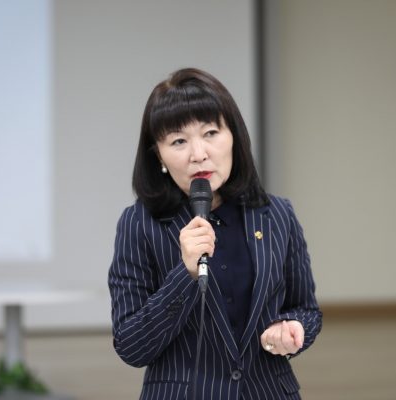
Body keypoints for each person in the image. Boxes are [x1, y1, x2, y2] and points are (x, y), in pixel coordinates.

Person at [108, 68, 322, 400]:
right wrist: (186, 275)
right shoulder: (139, 224)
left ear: (233, 135)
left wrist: (294, 328)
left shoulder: (277, 214)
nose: (199, 154)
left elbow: (305, 308)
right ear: (159, 156)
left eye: (210, 133)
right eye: (178, 141)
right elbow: (131, 346)